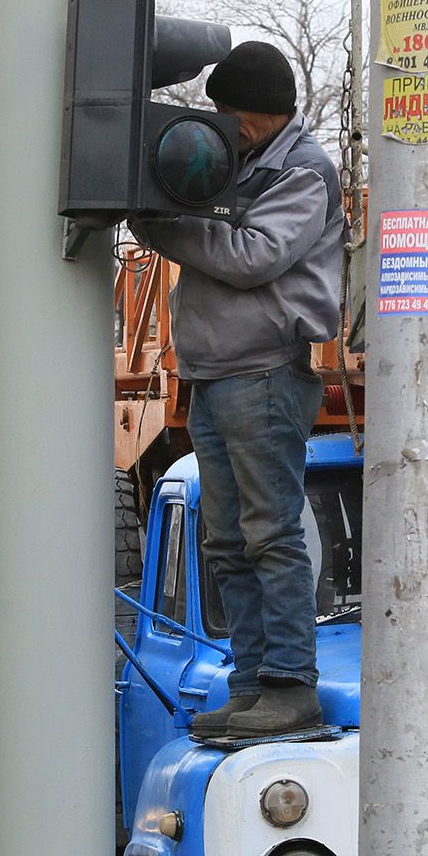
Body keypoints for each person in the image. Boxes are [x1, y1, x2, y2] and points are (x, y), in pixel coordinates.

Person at [128, 42, 346, 740]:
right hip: (220, 374)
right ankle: (252, 684)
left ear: (255, 112)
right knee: (227, 541)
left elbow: (255, 257)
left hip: (267, 373)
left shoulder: (303, 172)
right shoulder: (250, 159)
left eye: (229, 112)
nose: (223, 124)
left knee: (270, 533)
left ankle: (290, 686)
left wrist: (165, 228)